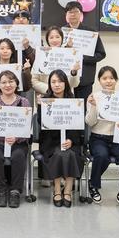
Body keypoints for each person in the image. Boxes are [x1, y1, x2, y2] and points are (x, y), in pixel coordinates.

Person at [85, 66, 119, 205]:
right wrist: (93, 106)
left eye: (111, 78)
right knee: (101, 155)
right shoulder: (94, 97)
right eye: (104, 78)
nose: (108, 81)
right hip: (98, 138)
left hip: (117, 139)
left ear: (116, 80)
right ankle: (93, 185)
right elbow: (89, 122)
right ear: (99, 80)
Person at [0, 70, 30, 208]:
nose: (7, 85)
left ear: (16, 83)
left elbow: (27, 126)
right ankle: (0, 189)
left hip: (17, 141)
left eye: (11, 81)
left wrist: (16, 137)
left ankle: (15, 191)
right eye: (3, 82)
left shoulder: (24, 101)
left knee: (18, 155)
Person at [37, 69, 83, 208]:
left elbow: (78, 125)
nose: (56, 84)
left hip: (70, 140)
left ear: (65, 83)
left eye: (60, 81)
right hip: (51, 141)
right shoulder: (46, 101)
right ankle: (57, 190)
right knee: (58, 154)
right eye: (53, 82)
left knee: (71, 154)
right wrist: (40, 107)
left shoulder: (73, 101)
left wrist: (71, 141)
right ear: (49, 84)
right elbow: (41, 123)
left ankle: (68, 190)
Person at [64, 1, 106, 103]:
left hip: (85, 78)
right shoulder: (61, 32)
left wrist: (82, 57)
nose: (72, 14)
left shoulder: (91, 33)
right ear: (66, 15)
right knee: (66, 107)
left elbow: (101, 54)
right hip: (65, 78)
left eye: (75, 11)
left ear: (81, 14)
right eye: (70, 12)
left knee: (83, 108)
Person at [31, 26, 80, 98]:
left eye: (57, 37)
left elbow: (75, 84)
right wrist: (51, 89)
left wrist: (74, 73)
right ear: (47, 40)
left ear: (62, 39)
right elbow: (33, 81)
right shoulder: (41, 55)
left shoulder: (70, 55)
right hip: (45, 97)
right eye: (51, 37)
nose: (54, 40)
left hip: (66, 98)